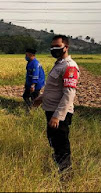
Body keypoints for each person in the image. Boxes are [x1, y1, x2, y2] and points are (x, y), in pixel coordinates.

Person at [33, 35, 80, 174]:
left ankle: (65, 173)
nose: (54, 49)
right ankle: (58, 165)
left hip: (58, 113)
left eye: (57, 47)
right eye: (52, 47)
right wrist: (41, 97)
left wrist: (57, 116)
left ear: (66, 47)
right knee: (53, 140)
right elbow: (55, 88)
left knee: (61, 143)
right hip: (50, 109)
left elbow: (69, 94)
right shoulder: (59, 64)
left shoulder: (69, 66)